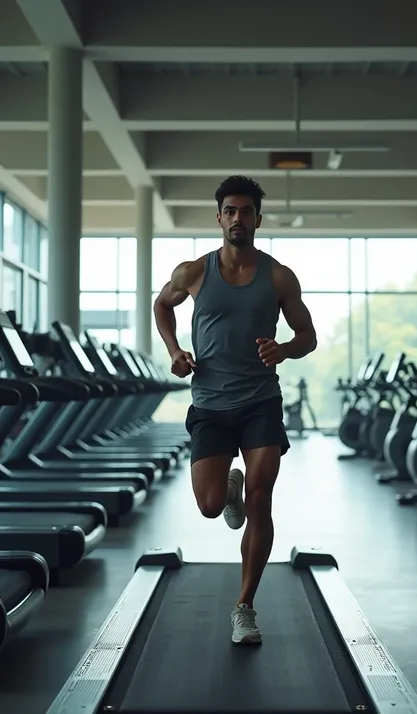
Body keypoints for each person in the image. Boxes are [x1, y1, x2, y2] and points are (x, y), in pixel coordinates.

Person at [153, 175, 317, 645]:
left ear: (257, 219)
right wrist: (174, 349)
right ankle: (227, 488)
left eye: (247, 211)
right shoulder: (193, 272)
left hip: (260, 401)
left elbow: (307, 335)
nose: (238, 218)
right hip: (209, 403)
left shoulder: (279, 276)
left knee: (262, 500)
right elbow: (162, 305)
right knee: (208, 507)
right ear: (219, 217)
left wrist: (284, 350)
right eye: (231, 210)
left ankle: (245, 605)